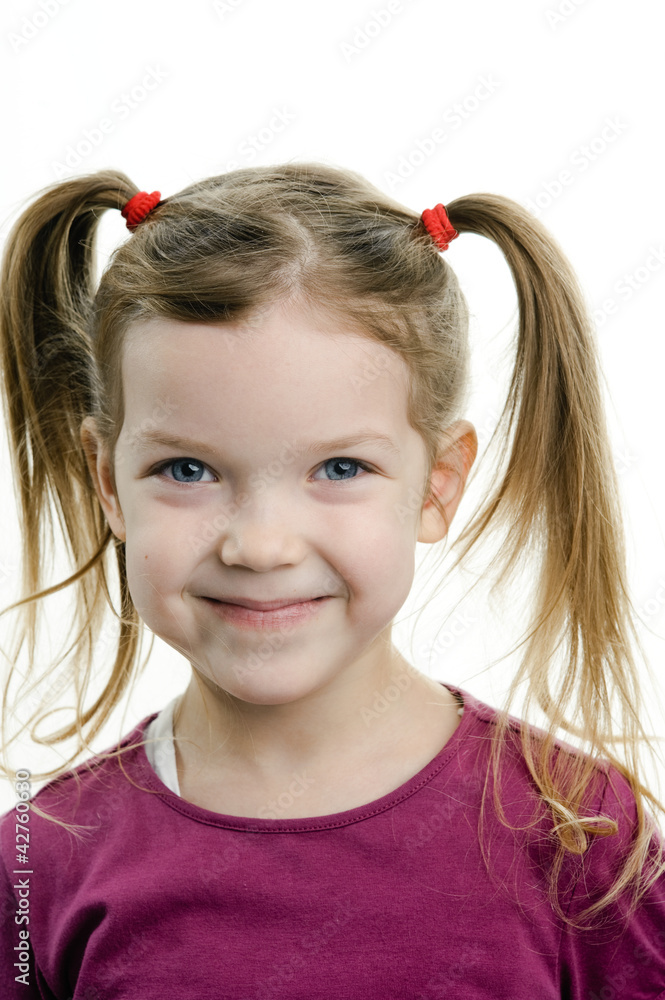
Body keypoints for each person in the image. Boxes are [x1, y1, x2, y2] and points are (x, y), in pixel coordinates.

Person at [0, 163, 663, 999]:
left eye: (340, 468)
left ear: (437, 485)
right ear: (107, 482)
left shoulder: (575, 832)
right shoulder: (40, 861)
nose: (260, 546)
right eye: (187, 469)